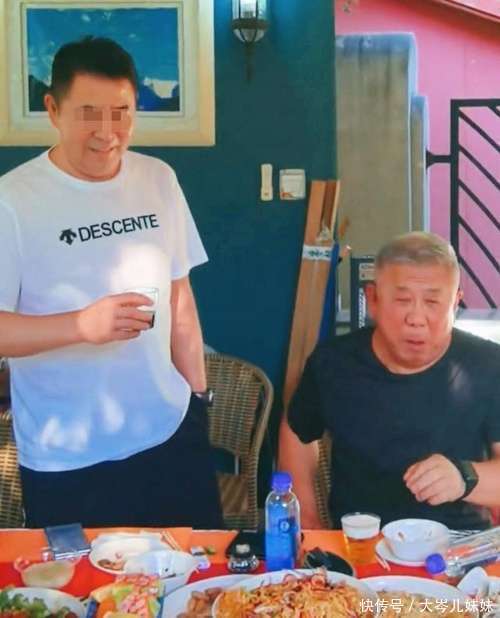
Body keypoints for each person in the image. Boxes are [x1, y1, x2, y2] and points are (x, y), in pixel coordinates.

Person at [0, 36, 223, 528]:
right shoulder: (12, 201)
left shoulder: (158, 179)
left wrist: (198, 399)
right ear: (53, 109)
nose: (106, 132)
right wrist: (82, 325)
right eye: (88, 113)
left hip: (170, 432)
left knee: (198, 570)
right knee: (79, 579)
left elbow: (180, 297)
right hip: (67, 456)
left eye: (121, 112)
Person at [279, 231, 500, 530]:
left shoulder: (488, 365)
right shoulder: (333, 363)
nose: (416, 318)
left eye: (433, 301)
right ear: (373, 299)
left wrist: (465, 477)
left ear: (455, 304)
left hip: (458, 543)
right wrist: (307, 517)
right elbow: (297, 430)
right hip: (359, 541)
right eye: (403, 300)